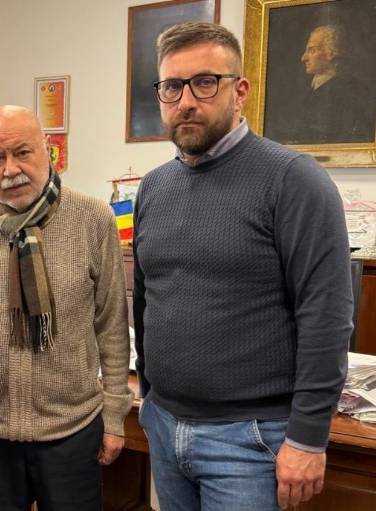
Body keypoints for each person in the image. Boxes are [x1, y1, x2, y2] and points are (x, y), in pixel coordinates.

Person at [133, 23, 353, 511]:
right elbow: (147, 299)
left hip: (251, 441)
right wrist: (149, 393)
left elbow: (327, 317)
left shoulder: (293, 180)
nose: (186, 101)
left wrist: (308, 437)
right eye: (172, 87)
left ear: (240, 91)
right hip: (164, 424)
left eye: (204, 83)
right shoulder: (153, 187)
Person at [0, 105, 133, 510]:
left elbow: (111, 324)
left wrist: (114, 415)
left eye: (23, 153)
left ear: (47, 149)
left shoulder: (93, 219)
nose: (11, 170)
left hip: (72, 431)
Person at [294, 24, 374, 144]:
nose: (304, 58)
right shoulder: (309, 90)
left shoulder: (354, 92)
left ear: (330, 54)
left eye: (312, 50)